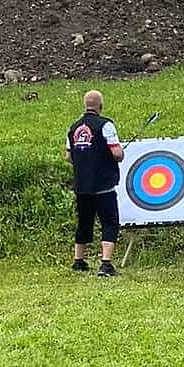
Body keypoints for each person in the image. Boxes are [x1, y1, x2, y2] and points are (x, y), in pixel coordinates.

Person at [67, 88, 125, 276]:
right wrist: (119, 154)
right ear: (101, 106)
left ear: (85, 106)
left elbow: (68, 156)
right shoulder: (105, 125)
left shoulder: (74, 127)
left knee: (84, 222)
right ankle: (105, 264)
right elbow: (117, 153)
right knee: (109, 222)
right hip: (103, 185)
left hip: (81, 185)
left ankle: (78, 260)